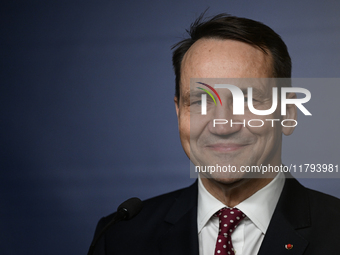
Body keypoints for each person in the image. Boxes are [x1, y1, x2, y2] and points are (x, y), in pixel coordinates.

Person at [89, 13, 340, 255]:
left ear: (288, 114)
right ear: (179, 112)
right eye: (200, 100)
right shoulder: (119, 237)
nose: (223, 126)